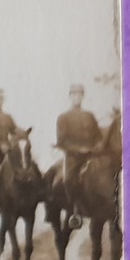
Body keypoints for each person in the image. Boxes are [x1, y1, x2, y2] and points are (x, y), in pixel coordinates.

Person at [56, 82, 104, 229]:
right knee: (69, 180)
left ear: (83, 96)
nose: (77, 97)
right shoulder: (63, 117)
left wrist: (97, 146)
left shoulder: (89, 116)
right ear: (70, 97)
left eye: (80, 94)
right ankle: (73, 212)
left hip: (92, 156)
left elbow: (98, 136)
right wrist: (79, 150)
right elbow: (62, 141)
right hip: (73, 157)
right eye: (74, 94)